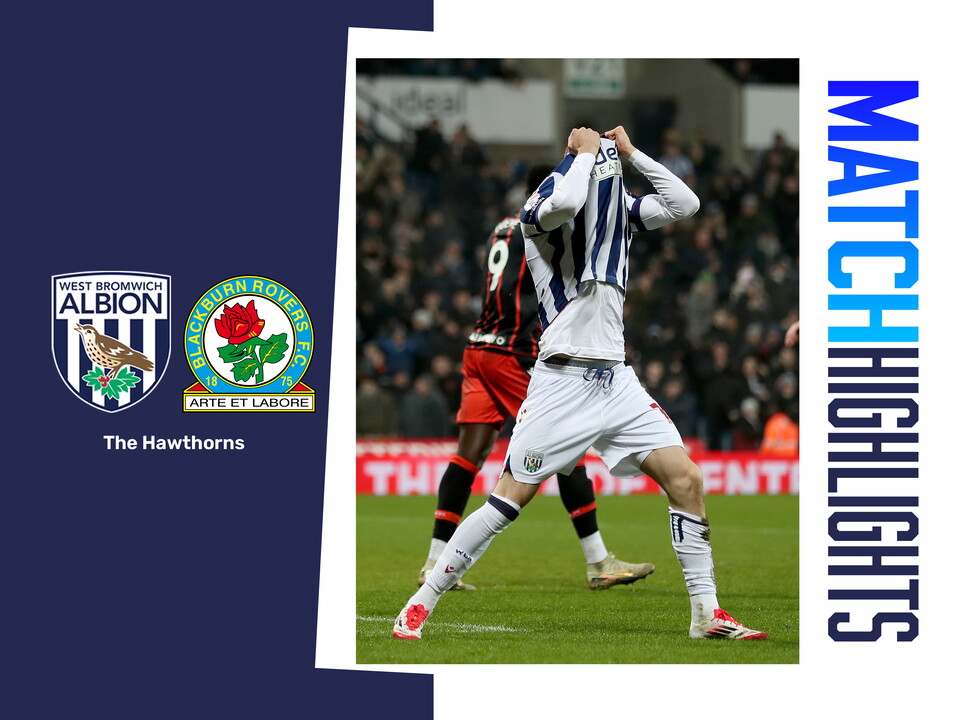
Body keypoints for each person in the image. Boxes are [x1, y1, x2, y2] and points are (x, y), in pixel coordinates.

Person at [394, 125, 767, 641]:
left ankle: (707, 615)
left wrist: (633, 153)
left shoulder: (616, 217)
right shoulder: (540, 212)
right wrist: (585, 153)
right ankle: (422, 600)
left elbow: (685, 203)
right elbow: (566, 200)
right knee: (507, 502)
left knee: (686, 480)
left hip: (616, 380)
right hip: (561, 381)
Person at [418, 165, 655, 591]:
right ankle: (598, 560)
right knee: (567, 449)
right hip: (513, 352)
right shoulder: (542, 226)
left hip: (479, 346)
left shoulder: (501, 227)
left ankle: (434, 561)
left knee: (468, 455)